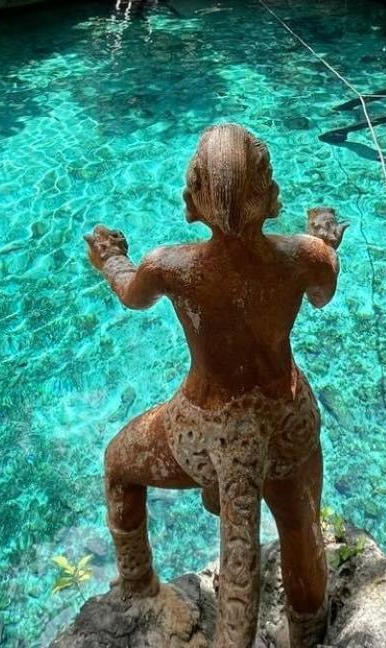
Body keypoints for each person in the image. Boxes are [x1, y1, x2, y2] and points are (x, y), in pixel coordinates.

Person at [86, 124, 347, 648]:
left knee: (118, 466)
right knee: (300, 527)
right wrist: (324, 238)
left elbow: (130, 294)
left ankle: (137, 584)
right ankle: (309, 632)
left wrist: (111, 258)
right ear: (271, 196)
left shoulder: (170, 267)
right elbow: (322, 294)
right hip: (286, 422)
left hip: (199, 433)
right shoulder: (303, 257)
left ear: (194, 200)